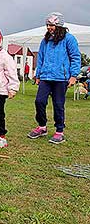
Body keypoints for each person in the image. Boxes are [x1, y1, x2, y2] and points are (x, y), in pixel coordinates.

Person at [27, 12, 81, 144]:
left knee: (58, 104)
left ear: (59, 25)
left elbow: (75, 57)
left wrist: (73, 75)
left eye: (52, 25)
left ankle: (59, 131)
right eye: (48, 25)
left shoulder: (69, 39)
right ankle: (42, 126)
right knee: (39, 101)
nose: (49, 27)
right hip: (45, 76)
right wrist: (38, 75)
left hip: (61, 78)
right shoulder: (45, 41)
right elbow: (40, 58)